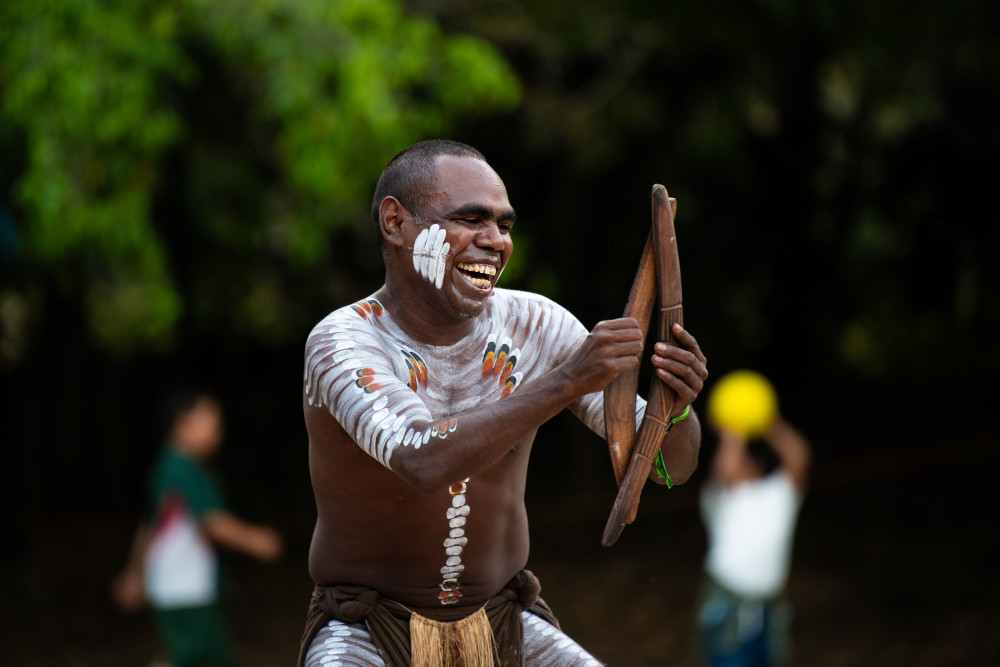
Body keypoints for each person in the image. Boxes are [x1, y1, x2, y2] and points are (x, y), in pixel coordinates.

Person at [299, 139, 709, 667]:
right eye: (470, 219)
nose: (494, 242)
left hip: (504, 622)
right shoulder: (344, 341)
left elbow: (663, 470)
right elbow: (421, 459)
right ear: (396, 223)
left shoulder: (536, 325)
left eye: (504, 225)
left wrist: (672, 411)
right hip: (365, 630)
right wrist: (563, 382)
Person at [112, 389, 283, 667]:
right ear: (183, 422)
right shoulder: (181, 468)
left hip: (181, 587)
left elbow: (148, 526)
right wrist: (257, 540)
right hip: (186, 587)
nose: (218, 430)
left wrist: (136, 573)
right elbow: (214, 523)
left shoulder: (170, 466)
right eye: (210, 421)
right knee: (198, 658)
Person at [697, 413, 811, 666]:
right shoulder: (721, 497)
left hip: (769, 606)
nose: (742, 464)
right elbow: (726, 468)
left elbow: (799, 455)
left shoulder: (779, 495)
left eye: (748, 460)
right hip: (728, 603)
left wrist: (767, 421)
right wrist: (734, 430)